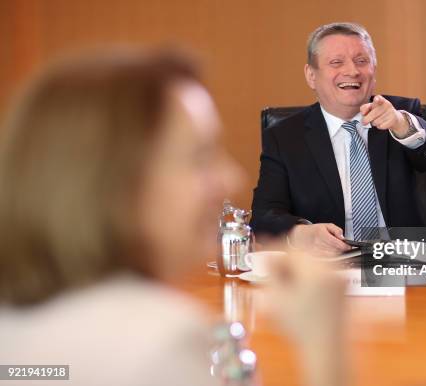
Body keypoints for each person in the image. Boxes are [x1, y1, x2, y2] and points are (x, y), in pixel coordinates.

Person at [0, 50, 346, 386]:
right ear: (113, 181)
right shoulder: (164, 343)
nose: (231, 178)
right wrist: (323, 344)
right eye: (200, 156)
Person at [251, 22, 426, 256]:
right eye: (336, 62)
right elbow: (264, 215)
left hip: (403, 264)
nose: (352, 71)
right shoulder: (284, 136)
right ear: (311, 75)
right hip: (325, 272)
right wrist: (299, 233)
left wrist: (400, 124)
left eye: (361, 61)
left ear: (373, 70)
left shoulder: (402, 114)